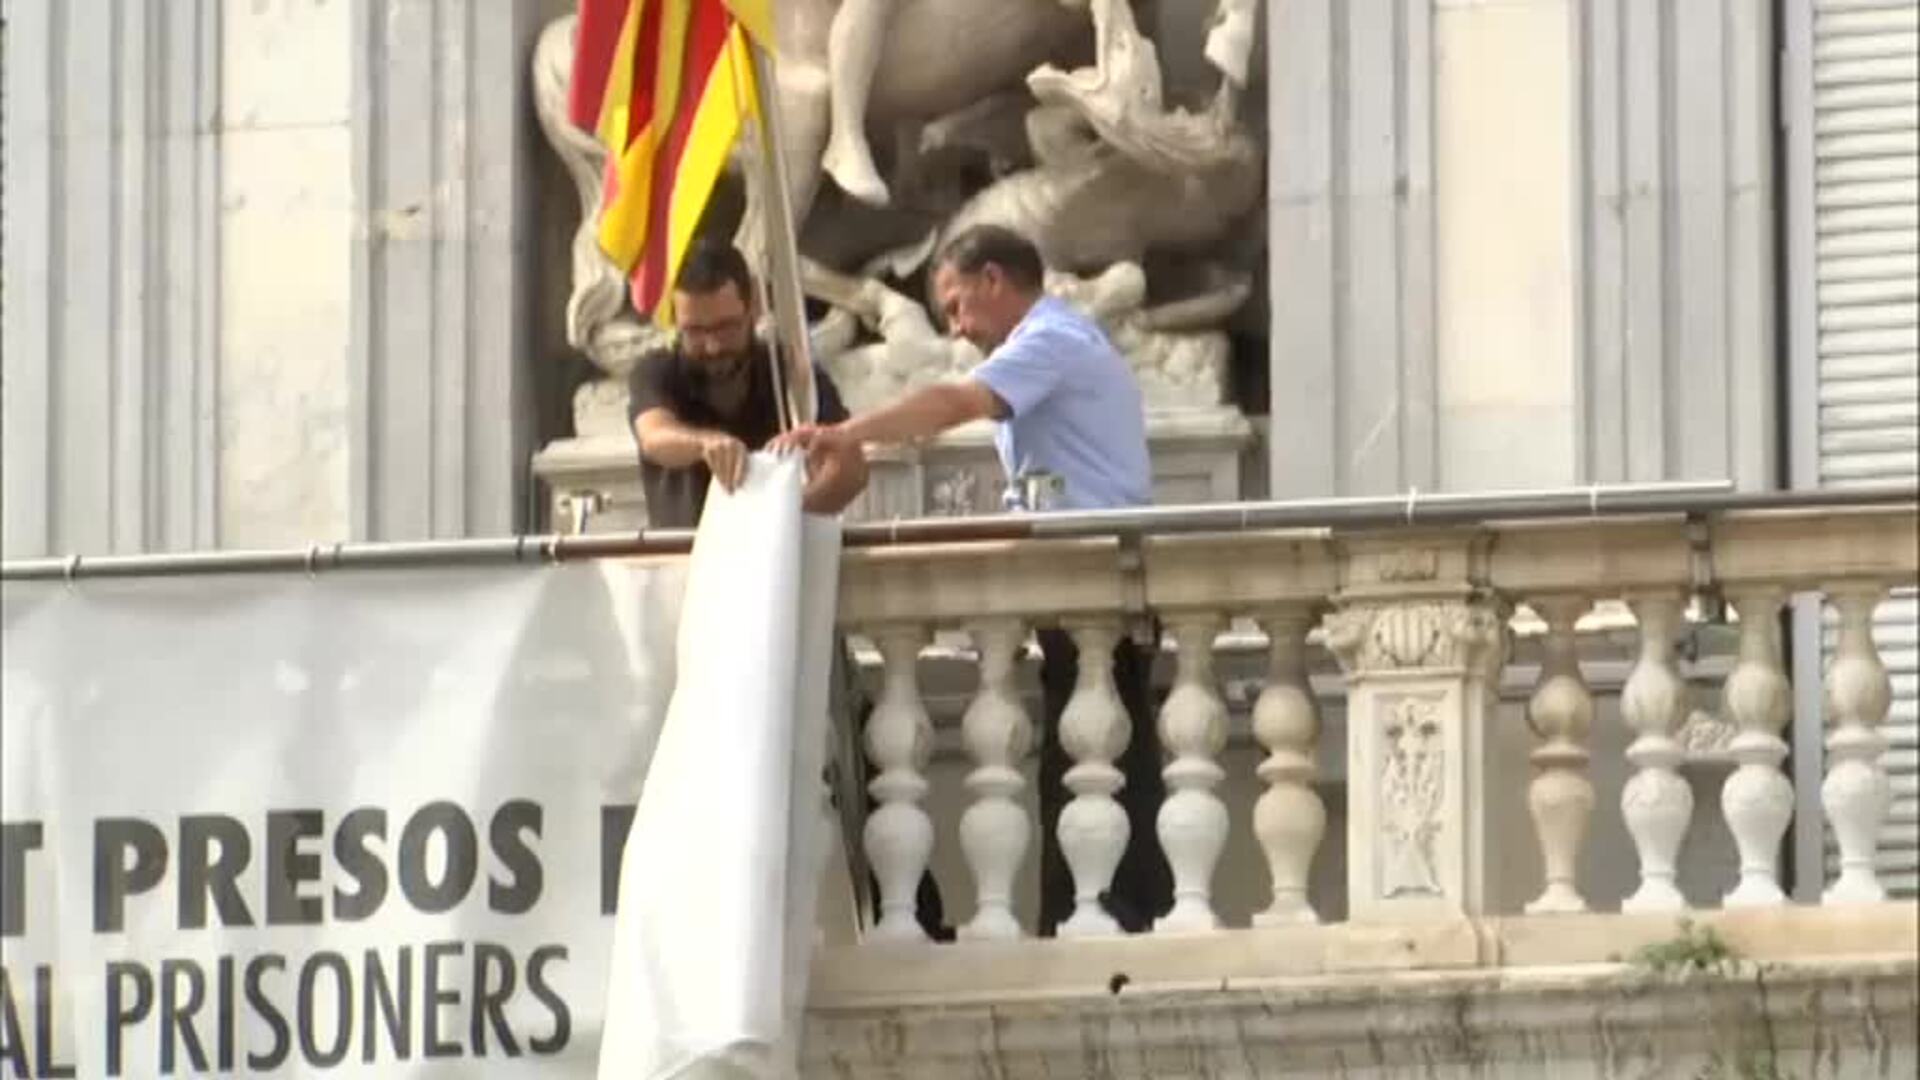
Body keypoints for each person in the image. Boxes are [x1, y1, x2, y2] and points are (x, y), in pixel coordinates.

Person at [774, 225, 1170, 935]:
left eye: (957, 305)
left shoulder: (1050, 342)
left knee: (1099, 753)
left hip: (1098, 579)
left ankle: (1105, 912)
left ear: (995, 280)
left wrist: (848, 434)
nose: (955, 328)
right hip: (1073, 577)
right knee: (1086, 753)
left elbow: (954, 405)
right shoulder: (1051, 346)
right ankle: (1090, 910)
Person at [628, 240, 868, 528]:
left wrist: (797, 509)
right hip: (685, 559)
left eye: (726, 327)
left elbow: (852, 467)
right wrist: (705, 444)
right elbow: (655, 436)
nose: (713, 346)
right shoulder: (658, 371)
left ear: (752, 308)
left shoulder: (788, 371)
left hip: (777, 554)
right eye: (695, 332)